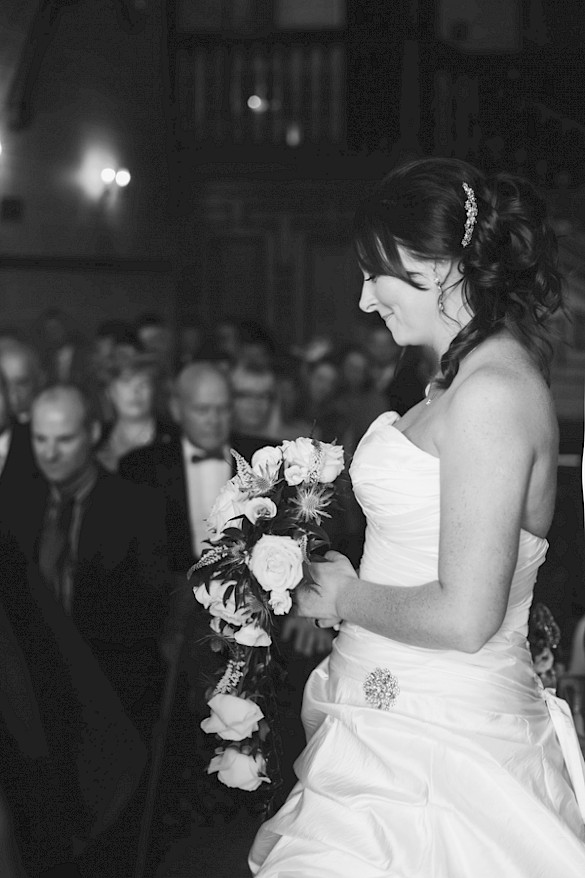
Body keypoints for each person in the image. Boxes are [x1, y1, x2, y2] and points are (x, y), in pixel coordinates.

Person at [249, 157, 585, 877]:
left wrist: (343, 597)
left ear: (438, 266)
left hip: (441, 748)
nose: (366, 299)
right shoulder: (449, 381)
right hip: (378, 713)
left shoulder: (492, 393)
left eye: (377, 273)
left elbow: (467, 616)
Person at [96, 358, 177, 473]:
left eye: (144, 383)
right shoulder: (96, 439)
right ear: (110, 392)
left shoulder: (173, 439)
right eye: (126, 383)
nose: (135, 392)